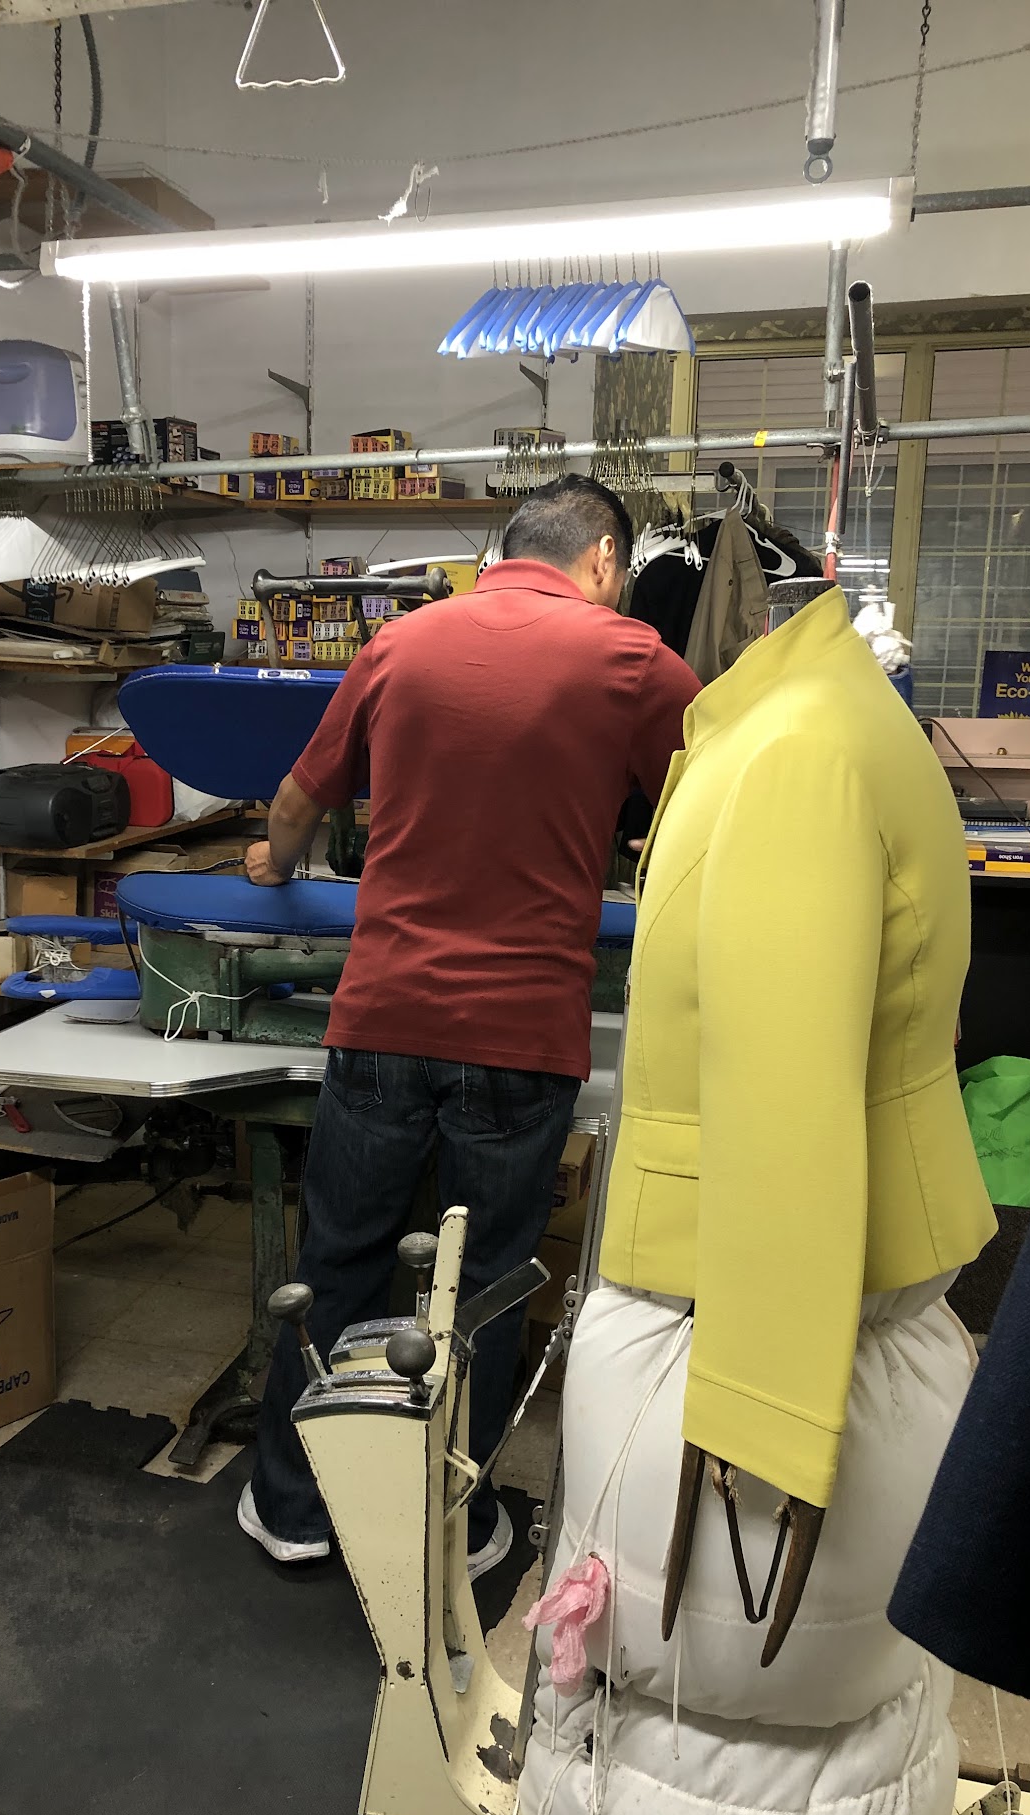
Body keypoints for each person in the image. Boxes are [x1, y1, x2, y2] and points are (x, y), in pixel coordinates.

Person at [237, 475, 700, 1575]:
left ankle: (294, 1509)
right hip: (520, 1033)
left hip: (383, 1017)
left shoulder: (400, 643)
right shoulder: (633, 657)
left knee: (340, 1258)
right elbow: (714, 804)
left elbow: (298, 803)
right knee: (484, 1282)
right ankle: (447, 1524)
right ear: (604, 558)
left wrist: (272, 864)